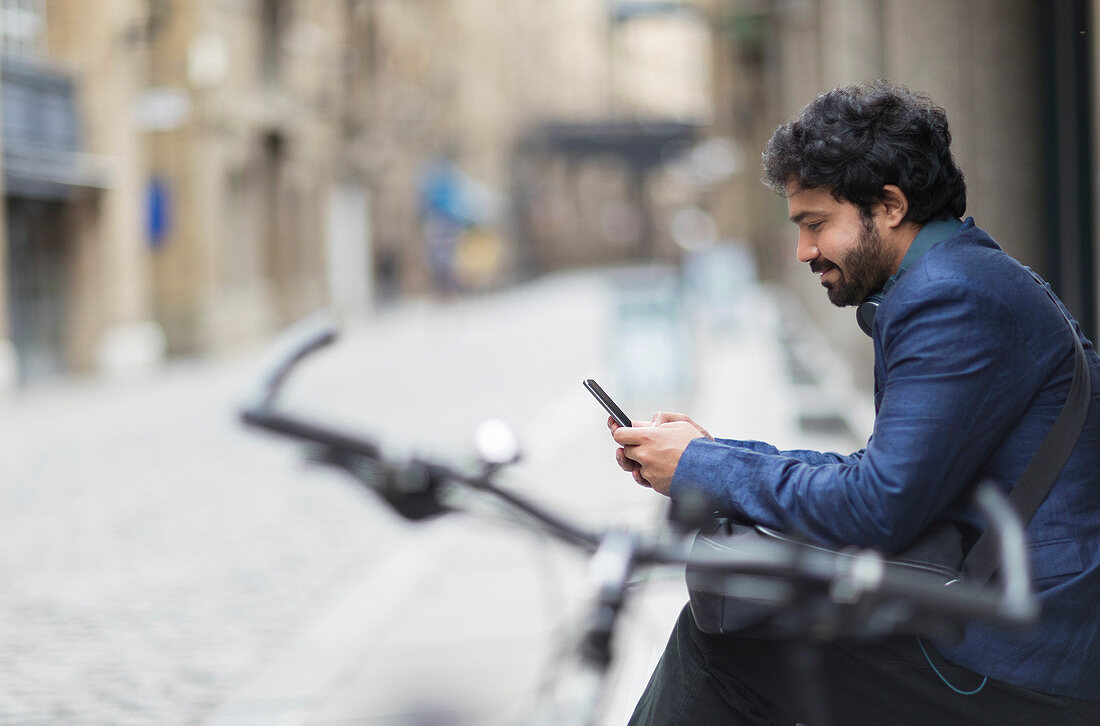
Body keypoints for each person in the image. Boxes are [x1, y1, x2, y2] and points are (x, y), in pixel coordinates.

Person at [611, 82, 1100, 725]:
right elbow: (884, 477)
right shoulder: (958, 277)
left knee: (722, 646)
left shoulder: (951, 299)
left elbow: (877, 506)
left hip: (1023, 657)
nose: (804, 251)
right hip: (1008, 620)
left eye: (816, 224)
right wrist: (711, 453)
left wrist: (704, 470)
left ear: (890, 205)